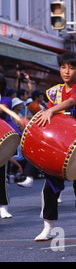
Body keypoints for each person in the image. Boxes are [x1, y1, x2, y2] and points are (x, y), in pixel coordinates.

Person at [34, 52, 76, 241]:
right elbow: (47, 118)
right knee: (50, 189)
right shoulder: (54, 92)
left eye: (71, 68)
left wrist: (51, 110)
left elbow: (71, 103)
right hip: (58, 146)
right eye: (63, 67)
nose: (66, 71)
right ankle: (47, 227)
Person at [0, 73, 22, 218]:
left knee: (1, 175)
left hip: (2, 140)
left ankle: (3, 206)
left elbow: (1, 111)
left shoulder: (5, 100)